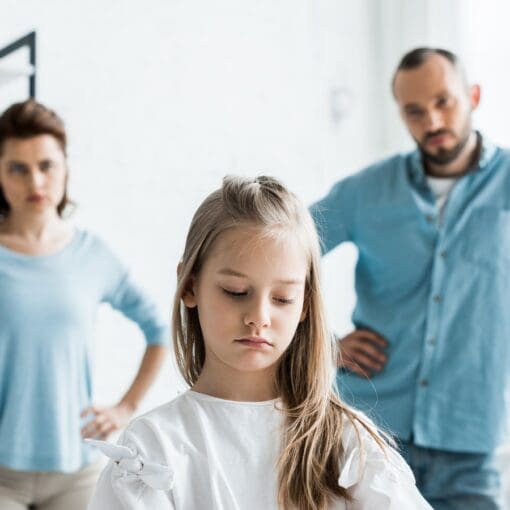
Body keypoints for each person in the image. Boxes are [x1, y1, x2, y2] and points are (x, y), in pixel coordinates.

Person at [86, 175, 431, 509]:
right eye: (236, 292)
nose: (259, 317)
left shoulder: (348, 443)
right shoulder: (152, 449)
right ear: (190, 286)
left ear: (305, 305)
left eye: (282, 298)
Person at [310, 47, 509, 509]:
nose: (433, 122)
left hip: (470, 442)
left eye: (445, 103)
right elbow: (280, 253)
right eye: (415, 112)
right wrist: (323, 344)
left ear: (473, 95)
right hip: (367, 433)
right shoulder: (365, 192)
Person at [0, 99, 168, 510]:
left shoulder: (93, 257)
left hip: (77, 470)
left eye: (46, 165)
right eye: (17, 168)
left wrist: (126, 407)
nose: (35, 181)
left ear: (65, 168)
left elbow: (159, 329)